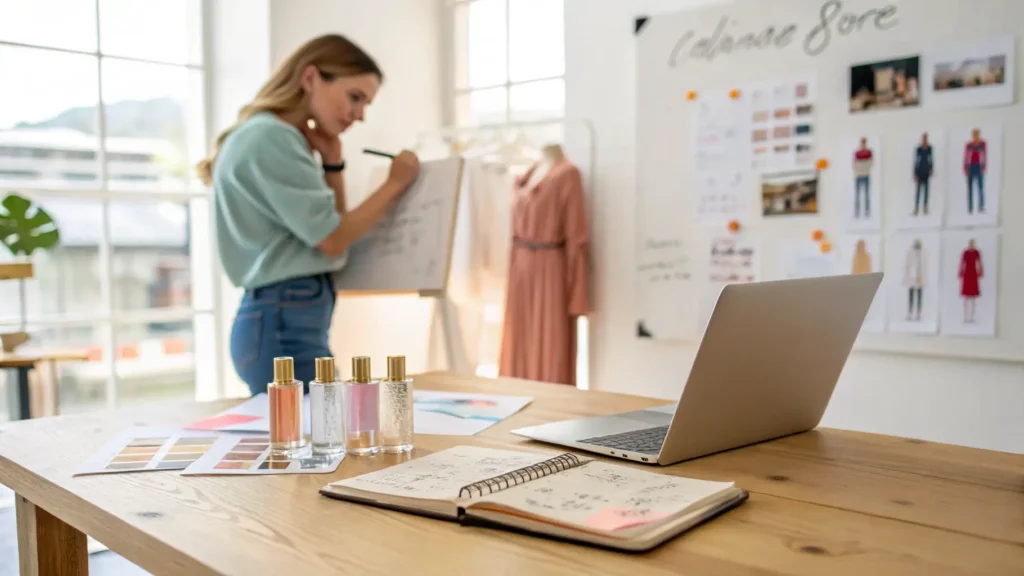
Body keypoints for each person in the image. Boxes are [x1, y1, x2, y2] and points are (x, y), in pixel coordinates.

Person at [195, 34, 421, 395]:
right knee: (322, 440)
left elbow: (334, 229)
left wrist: (333, 163)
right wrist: (395, 184)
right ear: (311, 78)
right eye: (355, 97)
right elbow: (333, 239)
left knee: (315, 439)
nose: (360, 115)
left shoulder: (266, 134)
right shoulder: (273, 138)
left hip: (280, 319)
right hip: (285, 323)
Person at [959, 239, 983, 323]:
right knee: (966, 297)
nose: (971, 245)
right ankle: (965, 316)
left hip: (973, 274)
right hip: (966, 274)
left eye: (972, 243)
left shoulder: (977, 252)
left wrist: (980, 272)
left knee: (973, 297)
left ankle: (971, 317)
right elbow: (962, 263)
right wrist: (960, 272)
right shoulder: (965, 252)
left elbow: (979, 262)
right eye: (970, 243)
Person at [963, 128, 986, 214]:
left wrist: (984, 165)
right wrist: (965, 167)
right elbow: (966, 157)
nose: (976, 136)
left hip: (979, 166)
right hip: (970, 167)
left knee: (980, 187)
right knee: (970, 189)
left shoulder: (982, 144)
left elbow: (984, 154)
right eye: (974, 135)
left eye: (977, 134)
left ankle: (981, 206)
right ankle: (970, 208)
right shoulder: (969, 145)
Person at [903, 239, 925, 322]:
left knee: (919, 296)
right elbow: (907, 265)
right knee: (911, 296)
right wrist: (907, 277)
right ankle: (910, 312)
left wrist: (923, 277)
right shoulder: (910, 253)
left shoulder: (923, 253)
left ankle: (918, 313)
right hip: (912, 277)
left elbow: (925, 266)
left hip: (920, 277)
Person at [913, 132, 933, 216]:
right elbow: (916, 161)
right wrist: (915, 173)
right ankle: (916, 208)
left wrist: (931, 169)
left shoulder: (929, 148)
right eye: (923, 138)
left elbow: (931, 159)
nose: (924, 140)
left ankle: (925, 207)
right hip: (919, 171)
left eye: (926, 138)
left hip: (926, 171)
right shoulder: (918, 149)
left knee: (926, 191)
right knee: (918, 191)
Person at [853, 138, 873, 218]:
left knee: (866, 194)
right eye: (862, 143)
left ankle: (867, 211)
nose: (863, 145)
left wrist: (862, 165)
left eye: (864, 143)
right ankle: (857, 211)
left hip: (866, 175)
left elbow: (870, 163)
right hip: (858, 175)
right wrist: (861, 166)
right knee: (857, 194)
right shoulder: (857, 153)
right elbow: (855, 164)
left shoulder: (869, 152)